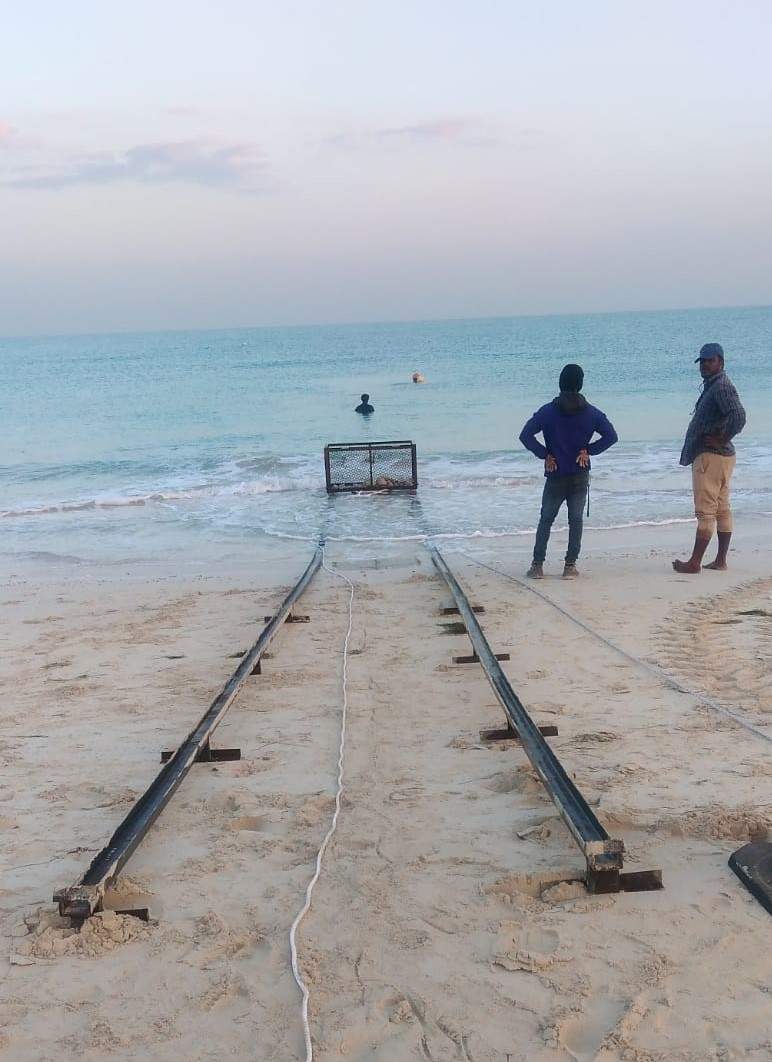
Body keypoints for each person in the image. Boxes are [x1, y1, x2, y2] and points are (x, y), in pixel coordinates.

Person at [519, 363, 618, 578]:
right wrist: (588, 450)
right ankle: (570, 567)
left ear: (560, 383)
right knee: (576, 520)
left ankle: (537, 566)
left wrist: (545, 454)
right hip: (579, 474)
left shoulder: (547, 411)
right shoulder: (592, 413)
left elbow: (525, 435)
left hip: (555, 474)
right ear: (580, 384)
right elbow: (611, 436)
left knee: (546, 520)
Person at [672, 342, 746, 574]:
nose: (704, 365)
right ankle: (720, 560)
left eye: (710, 360)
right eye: (702, 361)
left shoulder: (721, 386)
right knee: (722, 509)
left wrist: (722, 439)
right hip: (721, 457)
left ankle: (695, 562)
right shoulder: (715, 384)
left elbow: (738, 416)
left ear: (720, 362)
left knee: (705, 511)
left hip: (711, 457)